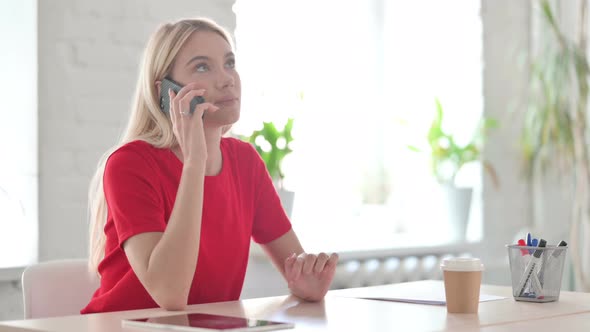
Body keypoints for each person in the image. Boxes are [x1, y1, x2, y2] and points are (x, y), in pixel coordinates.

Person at [81, 17, 338, 314]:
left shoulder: (245, 162)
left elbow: (296, 267)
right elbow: (171, 295)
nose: (227, 78)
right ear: (167, 92)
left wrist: (309, 285)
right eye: (203, 66)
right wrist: (195, 162)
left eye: (229, 63)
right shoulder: (130, 165)